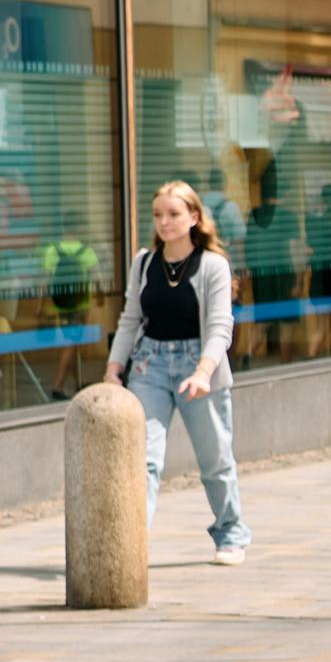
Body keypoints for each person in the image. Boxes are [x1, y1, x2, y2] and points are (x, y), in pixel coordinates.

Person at [108, 181, 248, 565]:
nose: (165, 222)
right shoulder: (145, 262)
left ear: (194, 217)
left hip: (198, 365)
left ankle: (231, 533)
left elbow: (221, 326)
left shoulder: (213, 265)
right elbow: (130, 319)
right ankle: (133, 543)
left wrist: (203, 372)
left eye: (173, 214)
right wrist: (113, 369)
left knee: (215, 459)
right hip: (150, 365)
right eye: (158, 215)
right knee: (144, 459)